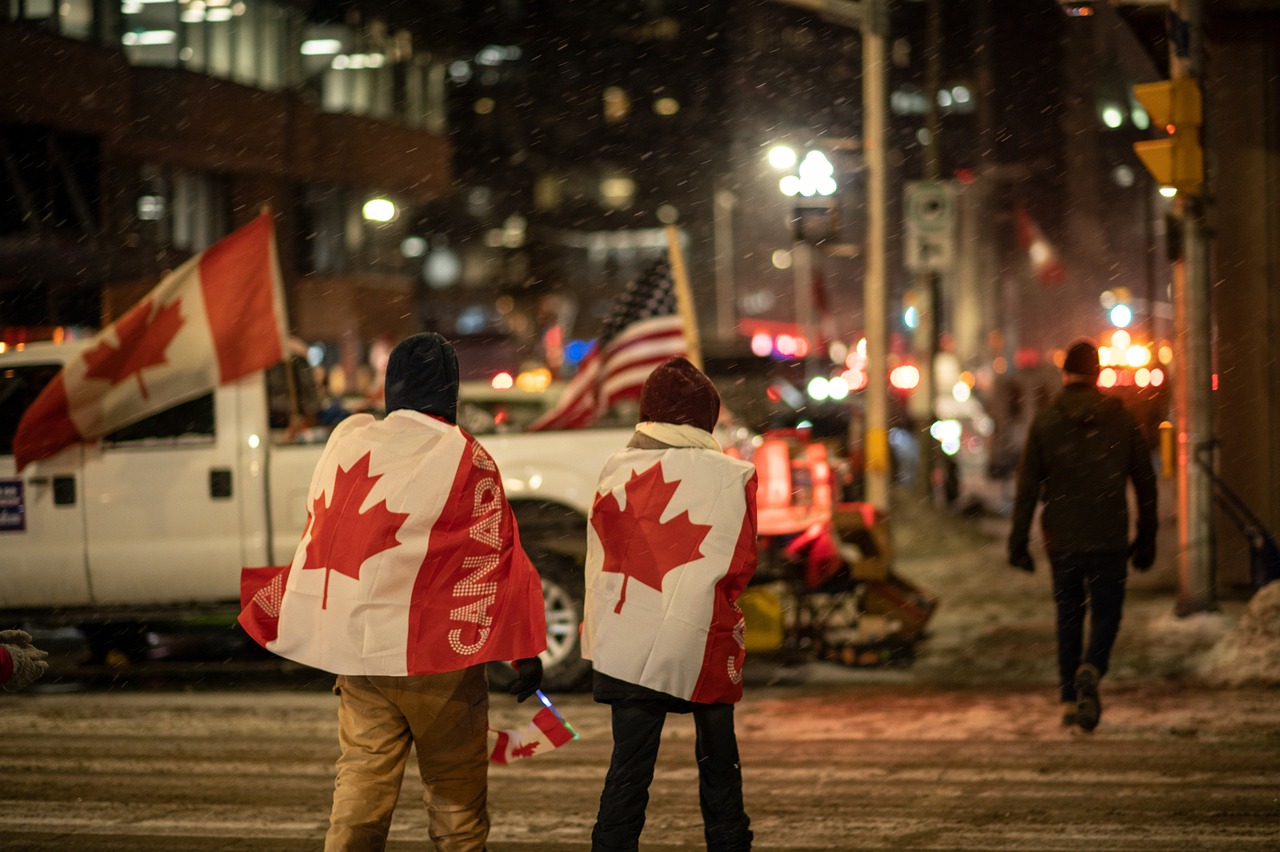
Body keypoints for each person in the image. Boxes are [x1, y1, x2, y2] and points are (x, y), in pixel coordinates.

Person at [239, 332, 547, 852]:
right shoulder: (464, 456)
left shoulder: (349, 441)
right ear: (450, 389)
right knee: (455, 802)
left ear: (390, 386)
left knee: (360, 788)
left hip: (356, 650)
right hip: (436, 659)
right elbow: (494, 559)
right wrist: (524, 652)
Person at [582, 356, 758, 852]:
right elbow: (742, 562)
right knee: (719, 767)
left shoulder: (613, 471)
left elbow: (600, 558)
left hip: (626, 643)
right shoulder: (733, 476)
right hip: (699, 637)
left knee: (628, 772)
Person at [1007, 339, 1158, 732]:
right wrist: (1147, 537)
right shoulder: (1122, 420)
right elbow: (1145, 482)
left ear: (1065, 375)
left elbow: (1027, 487)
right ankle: (1092, 666)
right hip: (1108, 536)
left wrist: (1018, 541)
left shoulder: (1046, 421)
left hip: (1063, 539)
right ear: (1097, 374)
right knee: (1107, 613)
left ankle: (1069, 703)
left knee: (1068, 617)